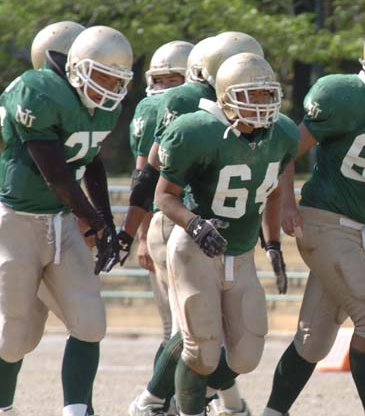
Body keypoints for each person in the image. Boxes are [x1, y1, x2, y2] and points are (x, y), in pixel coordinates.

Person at [127, 33, 267, 416]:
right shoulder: (185, 102)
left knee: (211, 332)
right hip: (180, 221)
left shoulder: (256, 113)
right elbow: (150, 175)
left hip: (216, 227)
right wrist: (137, 233)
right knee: (191, 331)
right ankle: (158, 401)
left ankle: (201, 401)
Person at [262, 25, 365, 416]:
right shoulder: (349, 94)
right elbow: (286, 147)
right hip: (326, 224)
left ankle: (272, 412)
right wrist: (288, 203)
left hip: (356, 231)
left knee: (314, 340)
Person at [0, 26, 134, 416]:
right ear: (74, 67)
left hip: (61, 220)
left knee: (90, 321)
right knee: (14, 335)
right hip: (16, 220)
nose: (107, 88)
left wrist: (104, 219)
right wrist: (92, 219)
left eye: (114, 79)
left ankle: (77, 411)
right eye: (100, 76)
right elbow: (55, 173)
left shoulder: (101, 106)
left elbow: (90, 160)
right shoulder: (39, 90)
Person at [157, 53, 298, 416]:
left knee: (247, 354)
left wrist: (273, 244)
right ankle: (183, 409)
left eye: (267, 94)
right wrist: (194, 224)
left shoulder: (283, 133)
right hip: (196, 249)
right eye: (252, 95)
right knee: (201, 351)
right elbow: (165, 196)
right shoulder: (196, 131)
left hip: (242, 252)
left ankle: (185, 397)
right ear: (226, 97)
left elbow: (274, 191)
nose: (262, 103)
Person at [126, 41, 191, 354]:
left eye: (172, 80)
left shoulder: (151, 108)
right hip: (171, 218)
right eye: (159, 80)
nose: (164, 88)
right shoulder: (154, 108)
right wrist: (141, 237)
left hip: (183, 220)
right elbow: (144, 175)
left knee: (184, 327)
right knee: (180, 328)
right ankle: (161, 384)